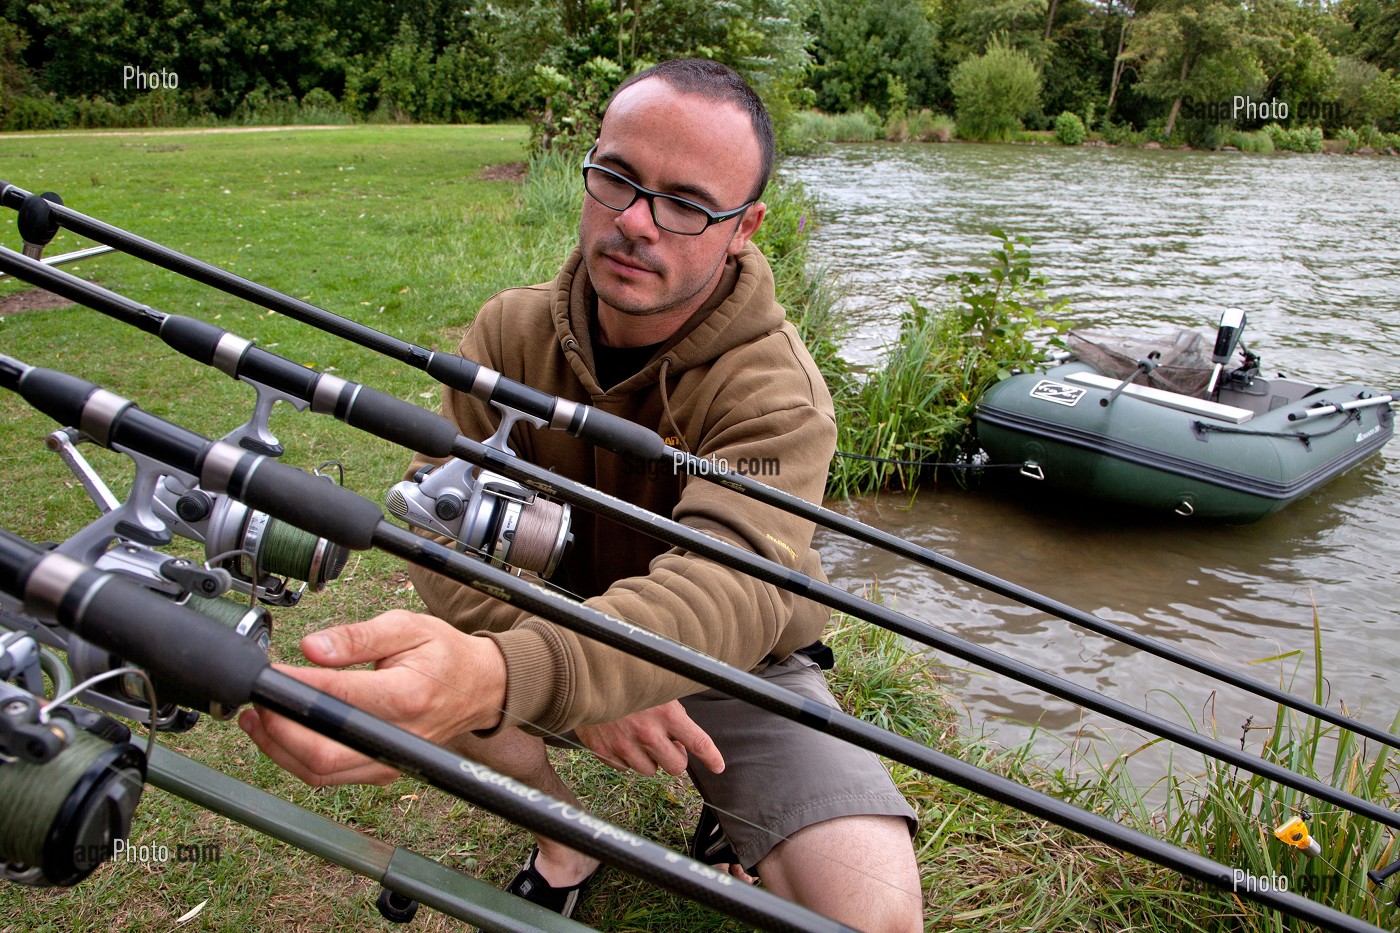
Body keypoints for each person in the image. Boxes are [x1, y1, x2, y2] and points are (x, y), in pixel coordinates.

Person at [240, 58, 921, 932]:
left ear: (745, 226)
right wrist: (535, 665)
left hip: (731, 661)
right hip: (538, 622)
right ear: (588, 167)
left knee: (877, 917)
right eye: (618, 179)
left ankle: (732, 799)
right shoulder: (505, 333)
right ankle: (566, 837)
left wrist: (561, 670)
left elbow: (737, 585)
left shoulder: (777, 391)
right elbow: (429, 520)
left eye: (686, 203)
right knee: (442, 665)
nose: (637, 222)